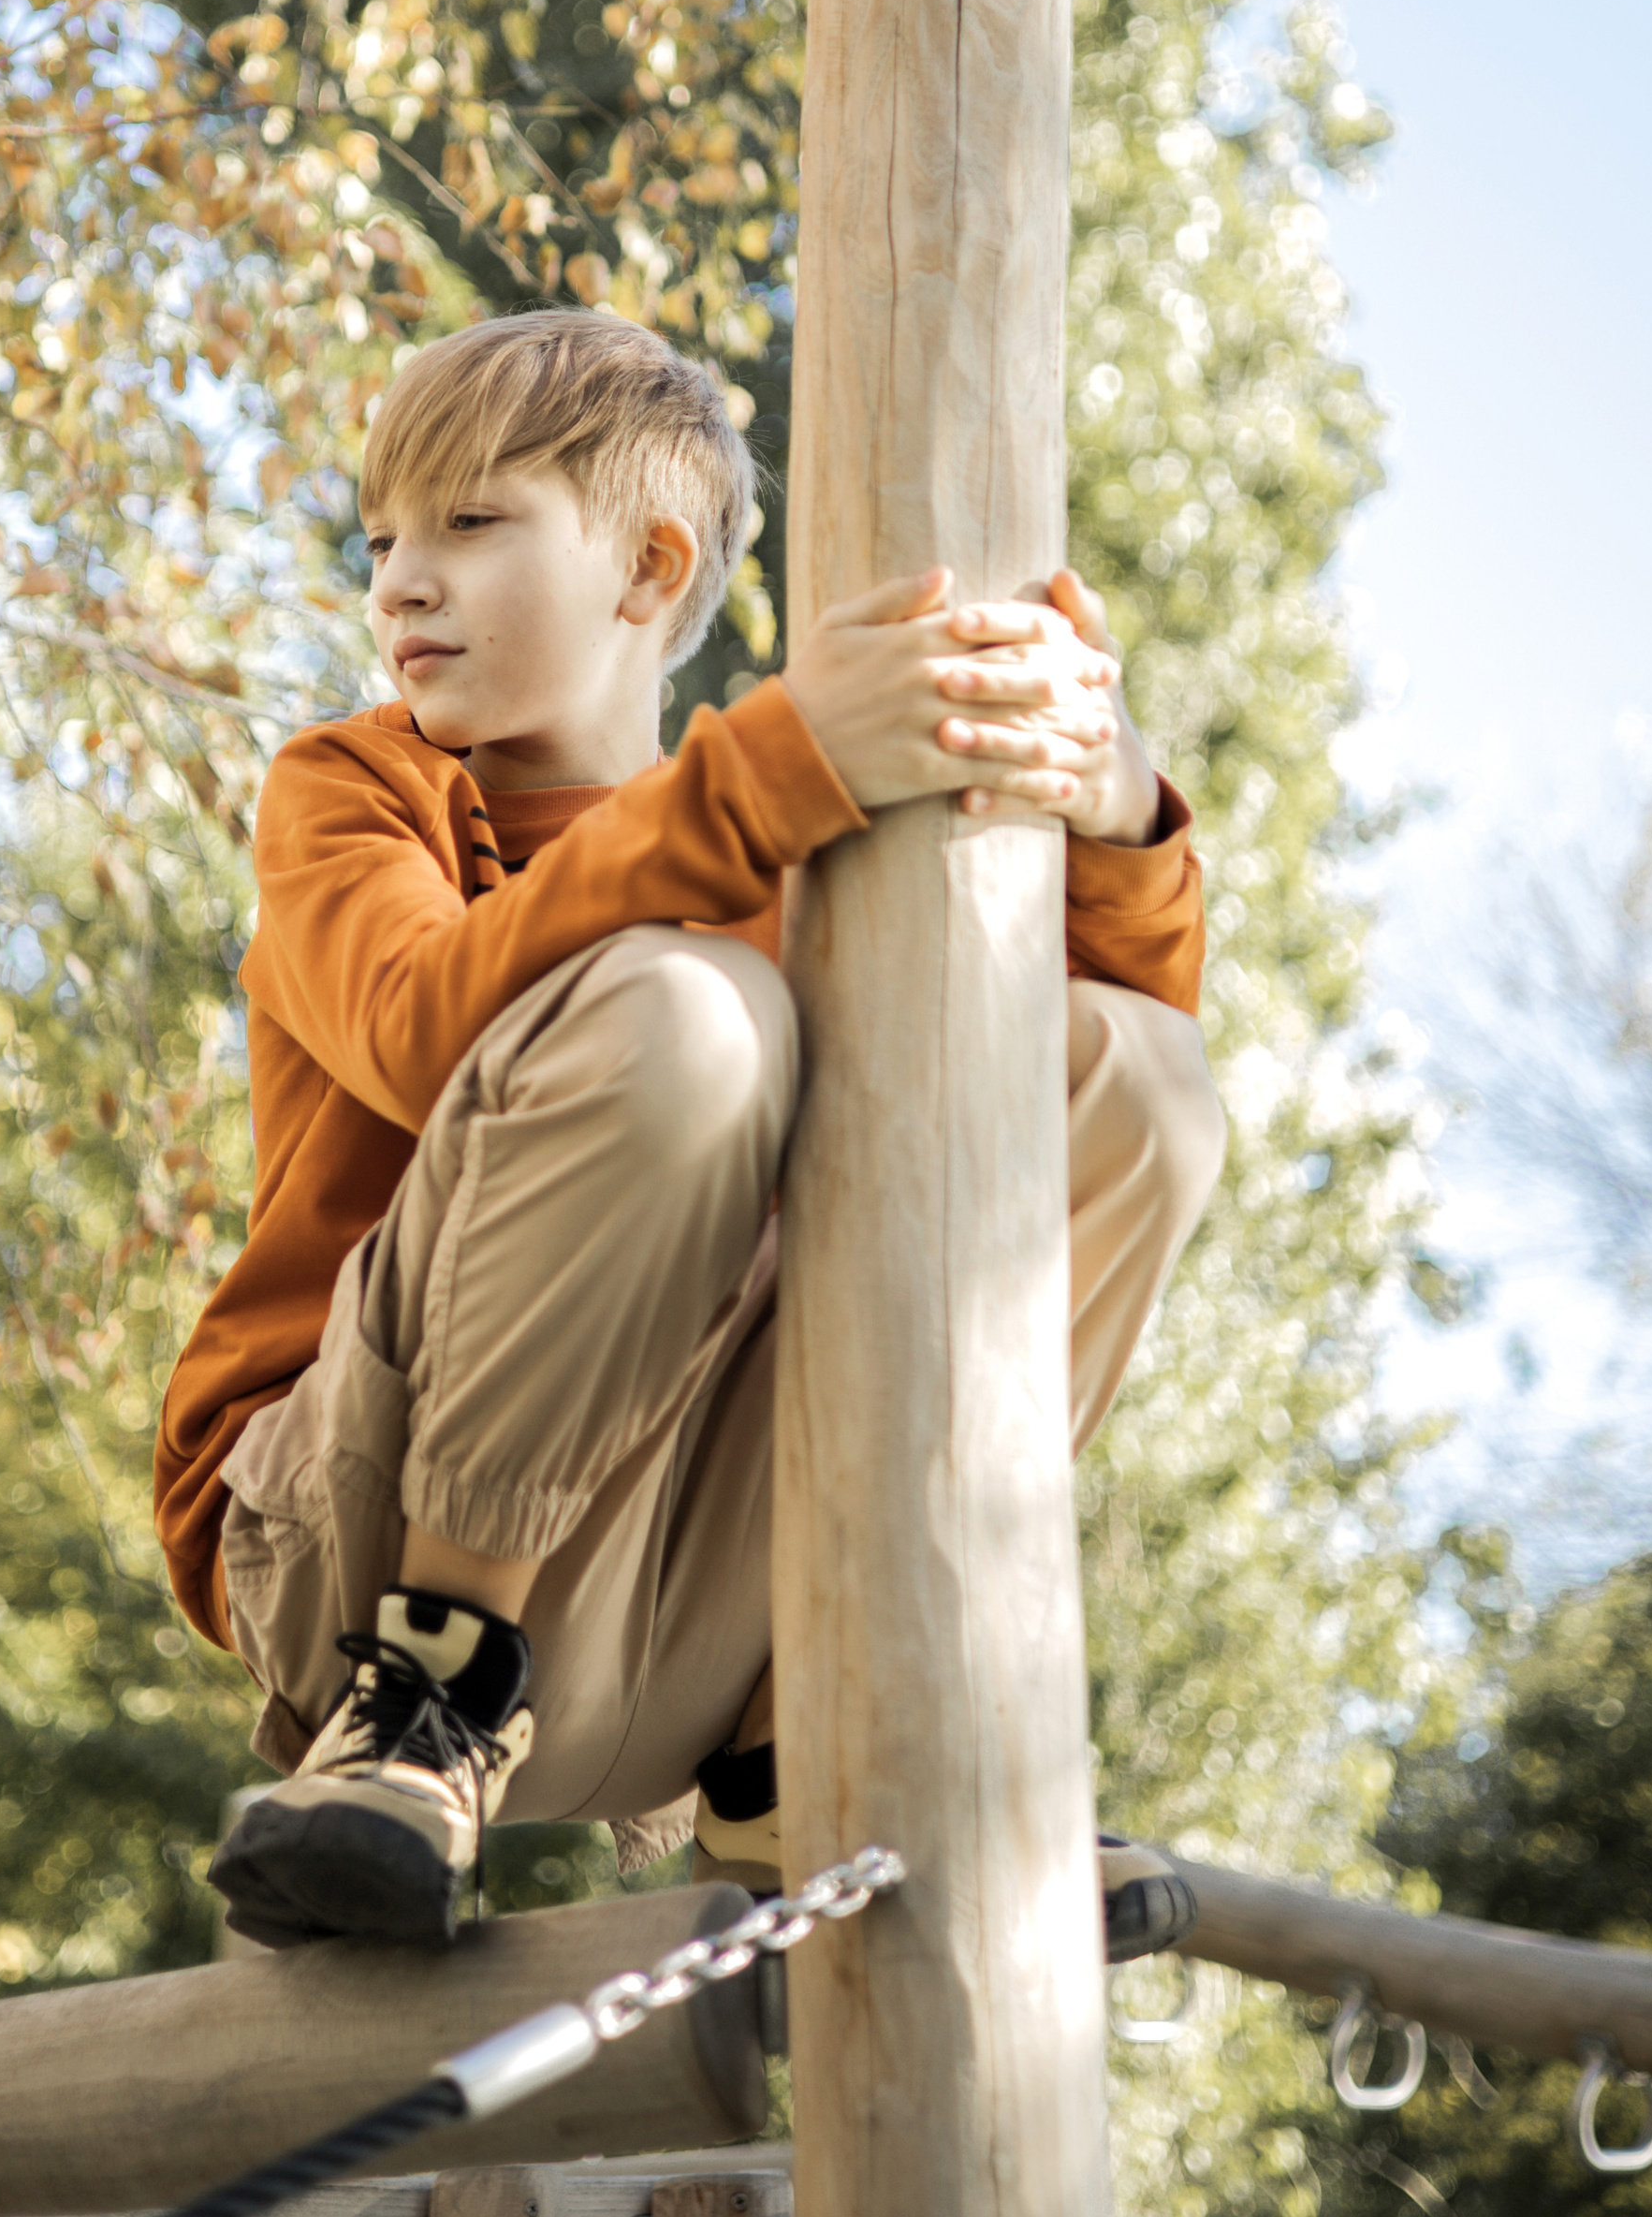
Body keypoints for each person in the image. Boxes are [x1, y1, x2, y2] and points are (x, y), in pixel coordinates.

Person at [154, 312, 1226, 1957]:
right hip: (346, 1551)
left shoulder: (804, 857)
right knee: (687, 1013)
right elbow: (421, 1024)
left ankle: (837, 1742)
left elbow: (1092, 1110)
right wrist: (774, 770)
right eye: (380, 543)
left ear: (649, 569)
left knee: (1139, 1075)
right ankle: (427, 1701)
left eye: (469, 523)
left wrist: (1115, 804)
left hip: (685, 1623)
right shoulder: (360, 791)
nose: (400, 586)